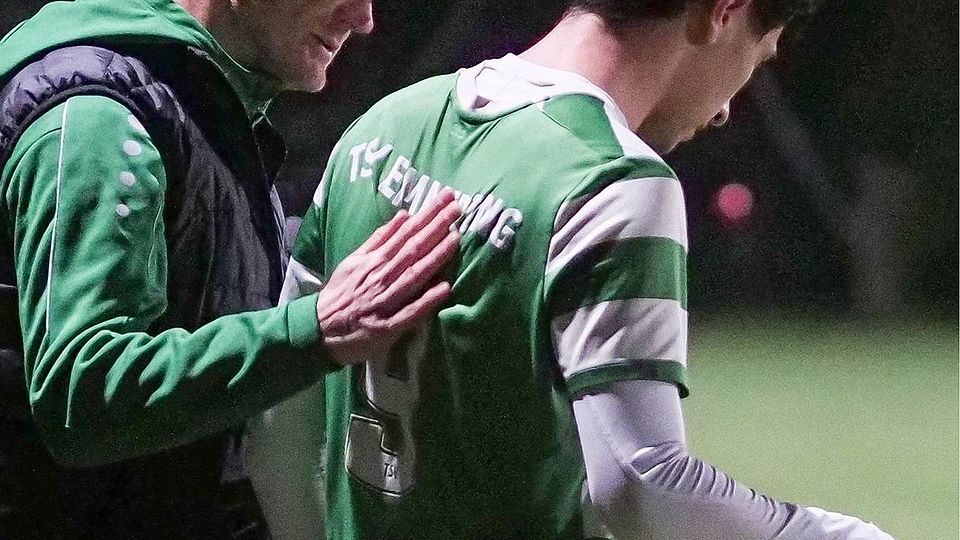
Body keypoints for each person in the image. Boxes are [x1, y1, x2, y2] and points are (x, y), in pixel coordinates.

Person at [246, 0, 897, 538]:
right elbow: (643, 488)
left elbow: (278, 420)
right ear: (721, 14)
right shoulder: (611, 181)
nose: (728, 107)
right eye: (753, 61)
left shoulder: (384, 124)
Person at [0, 0, 461, 538]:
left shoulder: (194, 101)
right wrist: (319, 328)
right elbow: (83, 396)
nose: (362, 20)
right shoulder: (98, 122)